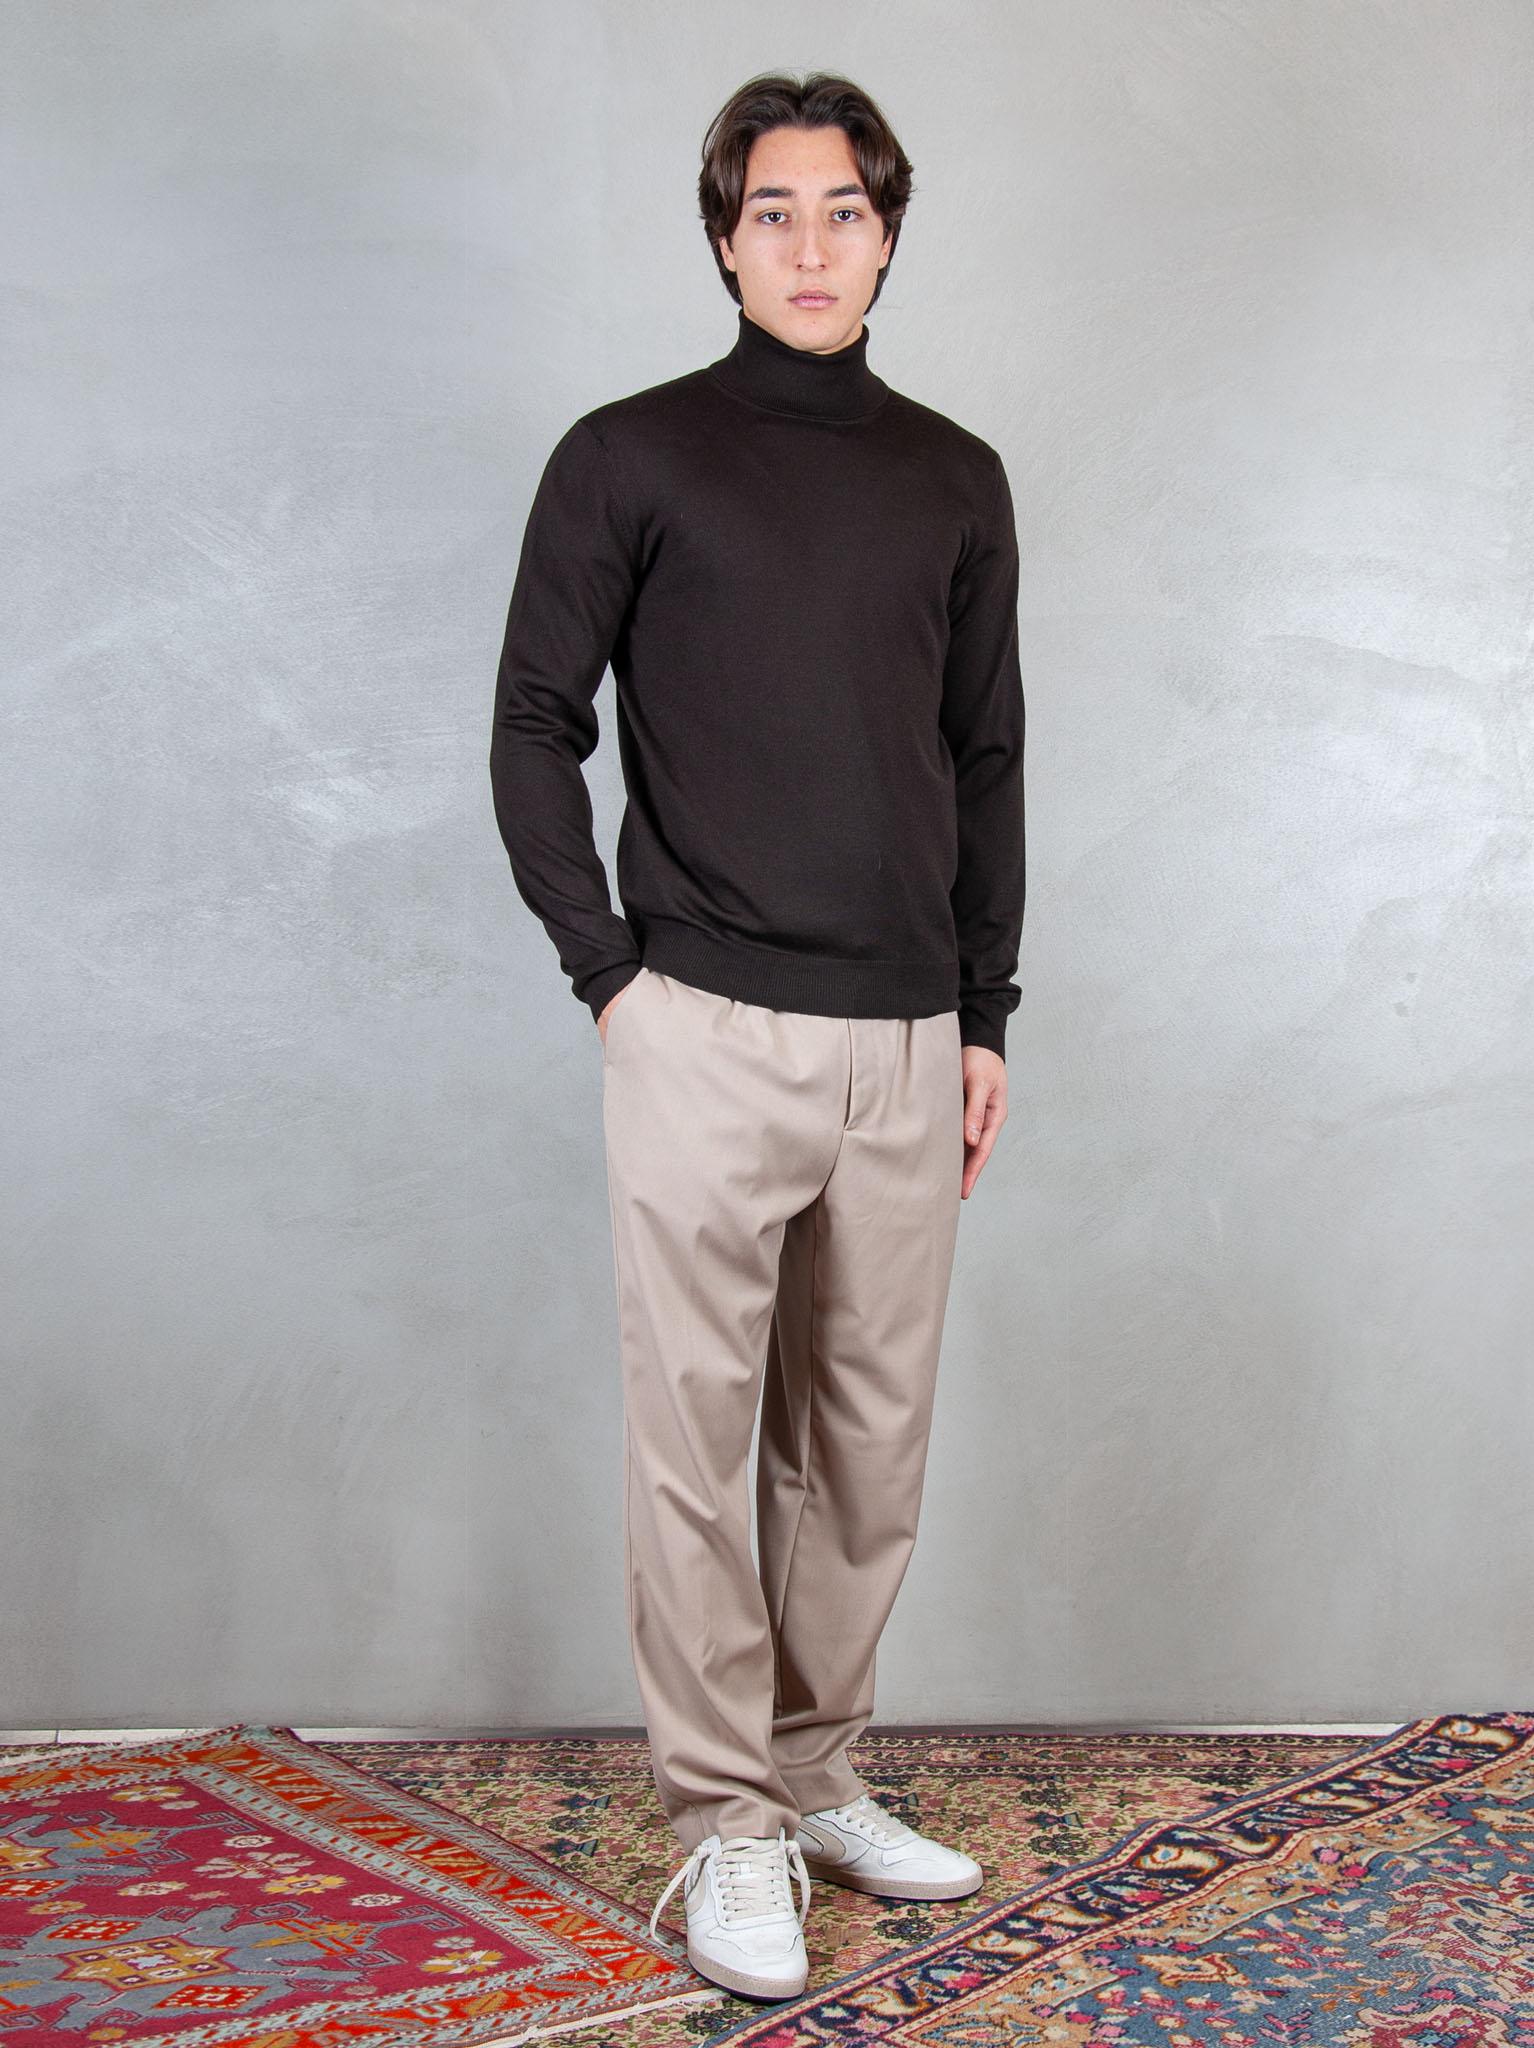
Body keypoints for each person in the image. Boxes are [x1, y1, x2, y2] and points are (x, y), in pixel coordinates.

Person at [489, 69, 1025, 2005]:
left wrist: (984, 1011)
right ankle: (723, 1819)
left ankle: (812, 1771)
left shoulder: (954, 477)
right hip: (701, 1024)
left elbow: (982, 754)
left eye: (843, 210)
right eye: (772, 211)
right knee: (697, 1448)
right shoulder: (627, 456)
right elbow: (533, 720)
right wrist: (608, 974)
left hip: (906, 1036)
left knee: (863, 1451)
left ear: (887, 235)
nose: (810, 245)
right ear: (723, 240)